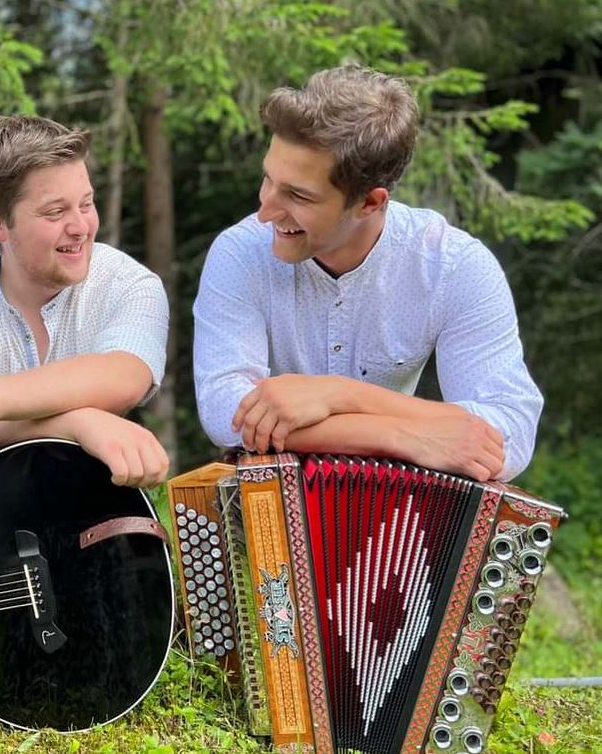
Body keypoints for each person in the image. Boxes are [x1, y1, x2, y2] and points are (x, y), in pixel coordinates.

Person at [193, 66, 542, 482]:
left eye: (298, 196)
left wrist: (340, 395)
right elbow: (226, 412)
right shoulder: (239, 252)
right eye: (268, 179)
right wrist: (401, 435)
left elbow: (510, 434)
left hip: (400, 513)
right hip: (268, 507)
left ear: (370, 203)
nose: (265, 211)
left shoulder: (454, 266)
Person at [0, 115, 170, 500]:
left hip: (102, 516)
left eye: (86, 204)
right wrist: (77, 424)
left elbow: (125, 376)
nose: (81, 227)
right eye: (55, 212)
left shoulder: (130, 284)